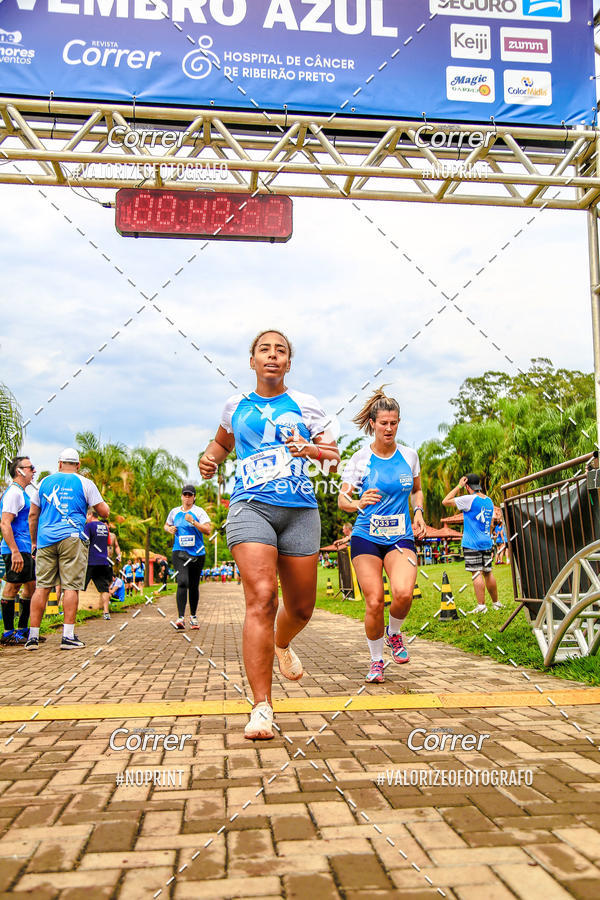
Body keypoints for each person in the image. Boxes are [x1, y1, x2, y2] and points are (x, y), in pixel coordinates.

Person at [199, 329, 340, 740]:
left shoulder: (306, 405)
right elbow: (220, 445)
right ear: (253, 361)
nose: (273, 356)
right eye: (265, 350)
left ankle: (282, 644)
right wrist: (209, 461)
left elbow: (332, 459)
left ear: (289, 363)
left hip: (300, 511)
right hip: (250, 506)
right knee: (262, 596)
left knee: (300, 609)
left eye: (281, 351)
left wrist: (309, 449)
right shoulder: (235, 406)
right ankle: (262, 706)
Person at [338, 388, 427, 684]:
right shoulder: (360, 459)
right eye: (383, 423)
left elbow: (416, 489)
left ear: (398, 423)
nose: (388, 429)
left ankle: (394, 634)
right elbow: (342, 499)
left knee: (403, 593)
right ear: (373, 424)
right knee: (374, 600)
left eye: (394, 423)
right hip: (366, 536)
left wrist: (418, 513)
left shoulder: (409, 456)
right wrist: (357, 502)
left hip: (400, 536)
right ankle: (377, 661)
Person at [26, 447, 109, 650]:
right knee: (71, 586)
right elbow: (104, 512)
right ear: (78, 465)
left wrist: (34, 542)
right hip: (72, 539)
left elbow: (33, 515)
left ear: (59, 463)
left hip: (45, 539)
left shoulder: (44, 482)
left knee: (42, 587)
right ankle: (68, 636)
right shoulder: (85, 483)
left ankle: (33, 637)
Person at [442, 474, 501, 613]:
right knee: (488, 572)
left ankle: (481, 606)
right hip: (487, 541)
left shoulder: (468, 499)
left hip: (472, 542)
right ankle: (496, 603)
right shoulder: (489, 501)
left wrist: (459, 486)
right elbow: (491, 523)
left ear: (468, 486)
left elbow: (445, 501)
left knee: (476, 573)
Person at [0, 456, 37, 644]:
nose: (34, 471)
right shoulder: (13, 493)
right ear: (19, 471)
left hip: (24, 548)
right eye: (31, 468)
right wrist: (14, 551)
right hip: (14, 549)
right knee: (12, 586)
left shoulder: (23, 493)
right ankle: (8, 633)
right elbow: (5, 523)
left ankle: (23, 629)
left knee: (31, 587)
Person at [164, 485, 211, 629]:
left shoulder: (199, 512)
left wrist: (193, 522)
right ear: (181, 496)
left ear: (194, 497)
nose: (187, 497)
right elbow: (166, 525)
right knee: (183, 581)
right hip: (179, 552)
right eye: (185, 494)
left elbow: (208, 530)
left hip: (197, 553)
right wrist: (169, 529)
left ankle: (193, 616)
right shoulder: (174, 512)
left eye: (190, 495)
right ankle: (180, 618)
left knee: (194, 585)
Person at [83, 509, 113, 620]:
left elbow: (85, 541)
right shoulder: (104, 527)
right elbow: (108, 543)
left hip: (91, 561)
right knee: (104, 588)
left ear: (90, 515)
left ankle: (73, 611)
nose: (86, 518)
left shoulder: (89, 526)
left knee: (78, 586)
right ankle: (106, 612)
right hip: (103, 561)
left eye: (87, 515)